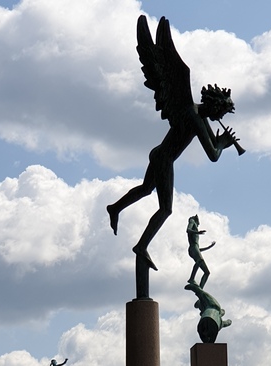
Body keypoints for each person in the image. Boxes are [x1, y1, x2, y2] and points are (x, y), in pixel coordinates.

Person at [106, 16, 240, 296]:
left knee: (145, 189)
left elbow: (211, 142)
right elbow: (214, 154)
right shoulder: (193, 116)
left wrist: (221, 141)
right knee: (166, 209)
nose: (220, 118)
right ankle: (141, 245)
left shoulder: (197, 115)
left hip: (159, 155)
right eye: (222, 112)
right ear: (215, 106)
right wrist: (226, 144)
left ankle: (115, 208)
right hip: (164, 159)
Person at [186, 215, 215, 288]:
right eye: (198, 223)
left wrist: (209, 247)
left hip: (195, 248)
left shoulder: (195, 227)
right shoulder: (192, 221)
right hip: (193, 247)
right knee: (200, 260)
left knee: (207, 272)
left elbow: (198, 249)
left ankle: (200, 290)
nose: (198, 224)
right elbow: (188, 230)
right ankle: (191, 279)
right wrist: (198, 232)